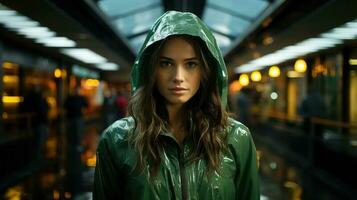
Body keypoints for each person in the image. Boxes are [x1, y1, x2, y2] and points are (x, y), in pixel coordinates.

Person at [94, 11, 259, 200]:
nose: (178, 77)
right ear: (151, 69)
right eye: (166, 63)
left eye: (190, 64)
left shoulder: (237, 138)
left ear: (205, 71)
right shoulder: (117, 140)